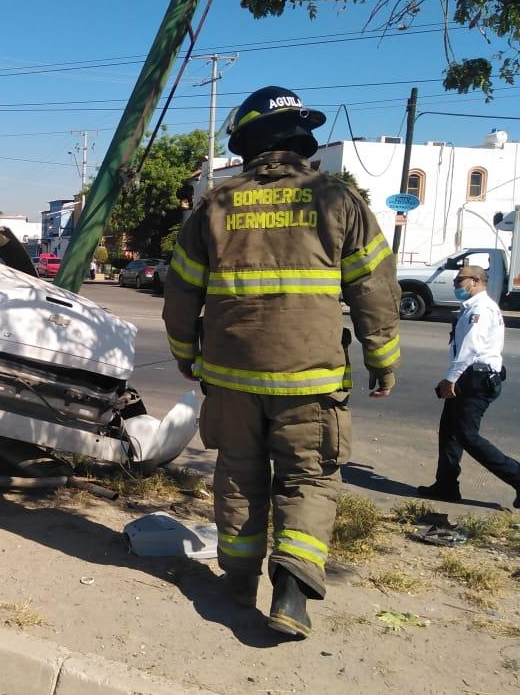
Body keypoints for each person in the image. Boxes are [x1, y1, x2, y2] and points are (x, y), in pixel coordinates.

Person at [163, 85, 400, 638]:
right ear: (302, 140)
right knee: (309, 478)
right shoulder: (338, 200)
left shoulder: (214, 206)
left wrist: (184, 354)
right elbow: (375, 288)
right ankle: (291, 594)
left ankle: (239, 581)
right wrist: (382, 358)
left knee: (239, 475)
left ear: (246, 144)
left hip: (229, 378)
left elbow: (181, 294)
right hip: (310, 378)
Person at [418, 265, 520, 507]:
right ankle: (446, 486)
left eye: (459, 279)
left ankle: (516, 476)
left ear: (475, 281)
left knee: (466, 435)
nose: (455, 283)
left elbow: (471, 348)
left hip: (476, 378)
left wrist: (450, 378)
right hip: (469, 376)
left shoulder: (481, 309)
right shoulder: (472, 307)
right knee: (449, 433)